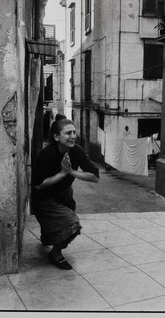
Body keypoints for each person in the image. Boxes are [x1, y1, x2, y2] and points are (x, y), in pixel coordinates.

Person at [32, 114, 99, 269]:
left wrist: (71, 172)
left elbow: (95, 176)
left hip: (64, 194)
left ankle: (48, 237)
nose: (73, 136)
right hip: (43, 198)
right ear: (56, 136)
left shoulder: (77, 151)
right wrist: (62, 173)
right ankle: (55, 254)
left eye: (74, 132)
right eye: (68, 133)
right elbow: (39, 185)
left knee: (66, 222)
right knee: (72, 225)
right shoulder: (46, 154)